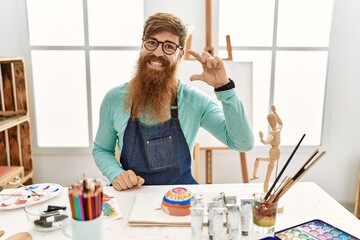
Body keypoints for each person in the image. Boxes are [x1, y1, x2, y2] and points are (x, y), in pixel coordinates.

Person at [92, 12, 254, 191]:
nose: (157, 52)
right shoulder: (114, 99)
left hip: (181, 200)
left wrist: (225, 88)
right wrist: (116, 173)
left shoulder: (195, 101)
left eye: (169, 46)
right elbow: (102, 149)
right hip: (132, 196)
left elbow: (243, 143)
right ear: (142, 45)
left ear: (180, 55)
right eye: (152, 42)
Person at [251, 105, 283, 192]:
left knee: (267, 178)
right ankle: (254, 176)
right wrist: (275, 112)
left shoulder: (273, 133)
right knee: (258, 159)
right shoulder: (278, 130)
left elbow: (266, 141)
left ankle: (265, 194)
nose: (271, 122)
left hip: (273, 155)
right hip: (275, 153)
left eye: (270, 121)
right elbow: (281, 123)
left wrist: (262, 139)